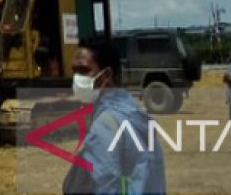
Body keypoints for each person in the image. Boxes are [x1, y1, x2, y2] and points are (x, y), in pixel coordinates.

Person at [65, 37, 166, 195]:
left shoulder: (105, 125)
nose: (77, 78)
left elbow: (105, 185)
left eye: (84, 71)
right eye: (75, 71)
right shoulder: (135, 112)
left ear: (106, 76)